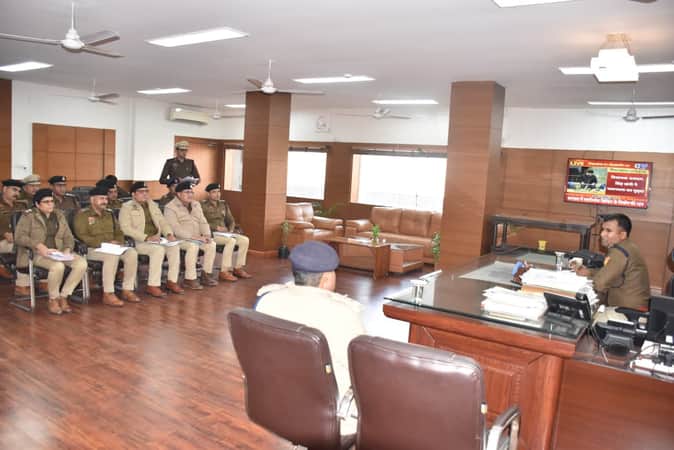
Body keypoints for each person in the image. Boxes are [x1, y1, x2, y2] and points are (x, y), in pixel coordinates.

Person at [255, 240, 366, 435]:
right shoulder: (343, 314)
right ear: (327, 278)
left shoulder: (266, 300)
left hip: (275, 401)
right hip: (332, 413)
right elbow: (361, 368)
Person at [14, 188, 88, 315]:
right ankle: (53, 299)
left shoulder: (59, 215)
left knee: (81, 263)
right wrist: (38, 245)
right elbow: (19, 237)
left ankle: (63, 296)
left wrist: (67, 249)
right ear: (37, 204)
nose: (50, 204)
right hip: (37, 253)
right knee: (58, 266)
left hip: (58, 252)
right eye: (46, 202)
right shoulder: (29, 216)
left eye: (52, 201)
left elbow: (68, 236)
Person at [73, 186, 141, 307]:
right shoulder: (82, 215)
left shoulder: (109, 214)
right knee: (111, 256)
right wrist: (104, 244)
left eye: (105, 198)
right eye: (101, 198)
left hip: (112, 247)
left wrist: (119, 242)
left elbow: (119, 232)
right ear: (92, 199)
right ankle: (108, 293)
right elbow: (82, 236)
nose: (104, 201)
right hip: (92, 249)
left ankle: (127, 289)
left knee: (131, 253)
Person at [119, 181, 183, 297]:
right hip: (138, 241)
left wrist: (169, 234)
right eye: (141, 192)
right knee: (158, 250)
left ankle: (171, 281)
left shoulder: (152, 205)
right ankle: (153, 285)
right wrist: (146, 237)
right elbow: (125, 228)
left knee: (174, 247)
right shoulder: (126, 207)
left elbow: (163, 222)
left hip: (156, 239)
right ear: (133, 194)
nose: (145, 194)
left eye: (146, 191)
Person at [573, 213, 650, 309]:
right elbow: (612, 273)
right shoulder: (627, 246)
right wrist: (589, 272)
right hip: (631, 308)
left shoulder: (619, 252)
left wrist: (575, 282)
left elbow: (600, 285)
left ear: (622, 235)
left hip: (626, 312)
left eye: (608, 231)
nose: (602, 234)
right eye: (603, 229)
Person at [164, 181, 217, 289]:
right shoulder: (170, 207)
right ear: (179, 194)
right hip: (180, 239)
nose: (190, 195)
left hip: (197, 238)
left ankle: (206, 274)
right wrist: (195, 237)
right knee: (193, 246)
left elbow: (203, 221)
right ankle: (189, 279)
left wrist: (207, 235)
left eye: (191, 192)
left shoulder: (196, 204)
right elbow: (175, 228)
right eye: (187, 192)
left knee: (211, 244)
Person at [201, 183, 251, 282]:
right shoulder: (202, 206)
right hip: (211, 233)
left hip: (225, 233)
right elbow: (200, 222)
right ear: (208, 194)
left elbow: (231, 220)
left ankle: (238, 268)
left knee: (244, 240)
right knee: (230, 241)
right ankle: (224, 271)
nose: (217, 194)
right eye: (214, 192)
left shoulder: (223, 204)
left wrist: (231, 230)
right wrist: (216, 227)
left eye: (218, 192)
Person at [0, 180, 30, 294]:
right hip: (2, 240)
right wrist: (4, 233)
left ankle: (42, 281)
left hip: (17, 239)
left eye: (18, 191)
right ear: (4, 189)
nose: (17, 193)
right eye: (14, 190)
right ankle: (21, 285)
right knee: (23, 248)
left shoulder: (22, 205)